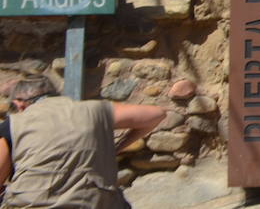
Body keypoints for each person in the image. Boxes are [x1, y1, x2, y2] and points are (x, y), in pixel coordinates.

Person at [0, 75, 165, 208]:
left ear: (19, 104)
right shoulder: (95, 110)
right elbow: (156, 114)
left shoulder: (14, 124)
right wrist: (118, 147)